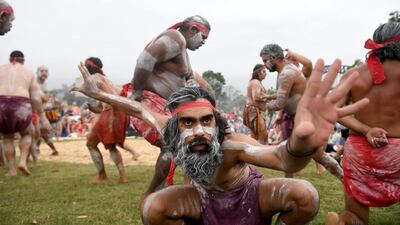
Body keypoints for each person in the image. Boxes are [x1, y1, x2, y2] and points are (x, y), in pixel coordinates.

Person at [72, 58, 369, 225]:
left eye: (207, 121)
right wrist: (99, 94)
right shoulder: (167, 129)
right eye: (188, 122)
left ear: (216, 121)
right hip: (201, 200)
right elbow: (136, 108)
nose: (200, 130)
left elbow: (282, 158)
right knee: (153, 208)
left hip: (248, 198)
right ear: (175, 124)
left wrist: (302, 142)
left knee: (306, 195)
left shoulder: (230, 144)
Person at [124, 15, 211, 189]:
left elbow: (187, 77)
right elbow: (145, 59)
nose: (203, 42)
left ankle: (187, 186)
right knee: (175, 143)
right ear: (193, 30)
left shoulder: (182, 48)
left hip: (168, 104)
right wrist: (138, 92)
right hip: (151, 99)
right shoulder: (175, 38)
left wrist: (193, 88)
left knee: (185, 143)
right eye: (203, 37)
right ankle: (155, 192)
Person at [326, 22, 400, 225]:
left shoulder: (353, 74)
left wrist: (366, 130)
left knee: (355, 217)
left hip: (360, 153)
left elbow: (333, 110)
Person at [260, 44, 344, 180]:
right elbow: (285, 95)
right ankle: (288, 183)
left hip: (301, 118)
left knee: (317, 155)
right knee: (288, 154)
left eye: (265, 61)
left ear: (274, 58)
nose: (264, 64)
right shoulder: (284, 71)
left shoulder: (286, 73)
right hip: (293, 117)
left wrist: (261, 105)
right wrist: (269, 98)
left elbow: (279, 103)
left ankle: (343, 177)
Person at [0, 50, 50, 176]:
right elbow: (35, 98)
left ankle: (12, 170)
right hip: (21, 103)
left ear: (10, 59)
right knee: (28, 133)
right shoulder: (29, 72)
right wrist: (42, 117)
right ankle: (22, 161)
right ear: (23, 60)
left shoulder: (1, 69)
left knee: (7, 137)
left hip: (1, 103)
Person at [82, 57, 130, 183]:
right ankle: (122, 176)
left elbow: (111, 98)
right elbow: (100, 108)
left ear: (88, 67)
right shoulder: (106, 79)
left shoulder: (95, 78)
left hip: (112, 112)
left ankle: (102, 176)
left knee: (91, 143)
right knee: (111, 146)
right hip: (117, 112)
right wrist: (91, 107)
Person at [243, 64, 276, 144]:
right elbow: (256, 97)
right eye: (264, 71)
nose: (266, 73)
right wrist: (271, 97)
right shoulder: (255, 82)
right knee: (263, 135)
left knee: (257, 137)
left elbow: (261, 97)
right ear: (258, 72)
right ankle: (260, 154)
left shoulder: (257, 82)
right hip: (255, 111)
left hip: (255, 111)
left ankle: (254, 154)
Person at [34, 65, 59, 156]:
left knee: (42, 132)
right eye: (42, 71)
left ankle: (38, 149)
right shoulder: (33, 83)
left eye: (46, 71)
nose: (44, 73)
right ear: (37, 72)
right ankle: (36, 150)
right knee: (38, 133)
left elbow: (43, 100)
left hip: (40, 111)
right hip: (31, 111)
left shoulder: (44, 84)